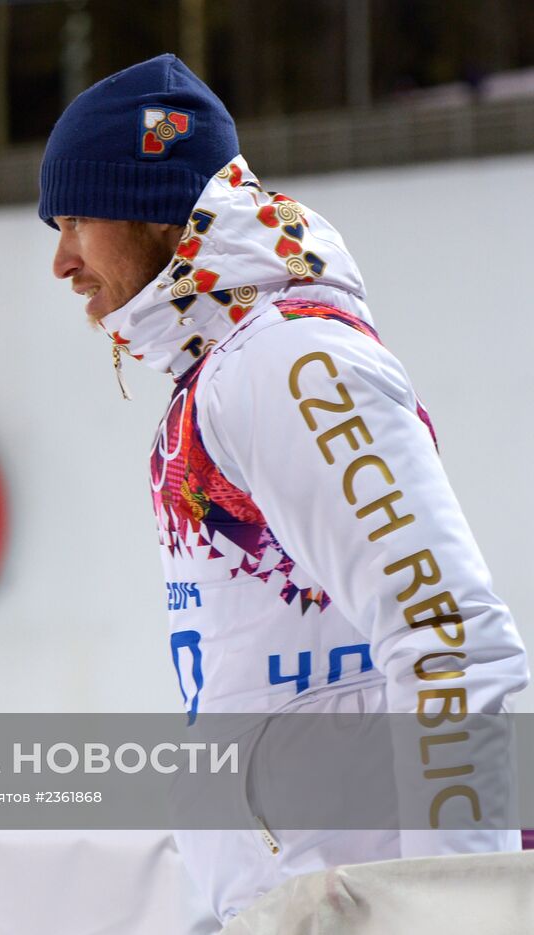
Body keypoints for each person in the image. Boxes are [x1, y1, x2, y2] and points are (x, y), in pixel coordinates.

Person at [39, 53, 529, 924]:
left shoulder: (288, 361)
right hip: (307, 902)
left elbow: (446, 632)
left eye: (76, 216)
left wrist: (458, 906)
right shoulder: (224, 373)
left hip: (371, 906)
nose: (64, 261)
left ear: (156, 211)